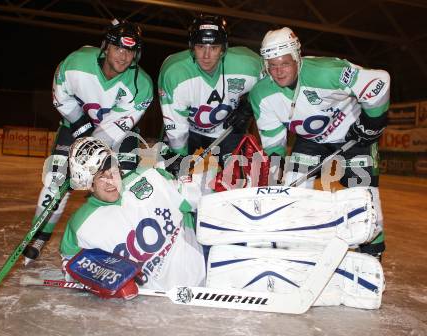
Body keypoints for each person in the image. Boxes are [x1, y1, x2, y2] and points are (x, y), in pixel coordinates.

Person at [249, 27, 390, 260]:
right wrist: (275, 179)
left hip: (352, 136)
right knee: (293, 186)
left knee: (364, 194)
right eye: (272, 65)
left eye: (284, 63)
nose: (278, 71)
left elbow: (379, 81)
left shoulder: (326, 72)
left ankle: (372, 253)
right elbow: (274, 145)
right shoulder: (262, 94)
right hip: (311, 140)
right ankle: (297, 244)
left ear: (297, 58)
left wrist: (371, 123)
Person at [23, 19, 154, 265]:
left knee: (121, 186)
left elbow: (118, 126)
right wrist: (81, 126)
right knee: (55, 183)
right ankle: (39, 236)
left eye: (130, 50)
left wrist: (87, 156)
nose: (124, 56)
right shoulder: (76, 63)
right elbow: (61, 97)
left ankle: (122, 238)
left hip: (117, 136)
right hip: (73, 128)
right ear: (106, 47)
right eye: (118, 48)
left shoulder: (142, 85)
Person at [60, 137, 206, 291]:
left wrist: (184, 180)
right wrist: (99, 278)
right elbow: (71, 266)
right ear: (88, 183)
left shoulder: (149, 176)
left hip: (203, 275)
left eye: (113, 171)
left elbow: (195, 200)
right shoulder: (80, 227)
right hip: (158, 303)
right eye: (101, 176)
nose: (111, 181)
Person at [158, 14, 262, 175]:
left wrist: (249, 106)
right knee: (168, 173)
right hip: (188, 129)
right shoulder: (175, 72)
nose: (206, 56)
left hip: (227, 130)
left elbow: (273, 81)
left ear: (223, 49)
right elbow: (176, 125)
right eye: (200, 47)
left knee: (238, 179)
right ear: (192, 47)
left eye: (213, 48)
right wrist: (179, 157)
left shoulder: (248, 65)